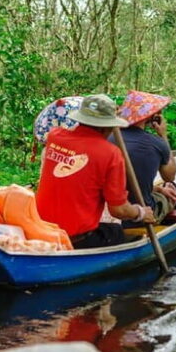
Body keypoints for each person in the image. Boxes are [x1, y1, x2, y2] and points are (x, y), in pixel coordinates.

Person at [36, 94, 155, 249]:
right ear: (108, 126)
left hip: (41, 229)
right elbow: (118, 210)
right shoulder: (111, 154)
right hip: (76, 239)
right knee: (116, 231)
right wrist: (140, 212)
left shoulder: (55, 136)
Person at [117, 90, 176, 226]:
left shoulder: (108, 137)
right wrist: (163, 136)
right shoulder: (156, 142)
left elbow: (123, 183)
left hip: (114, 212)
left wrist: (157, 189)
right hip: (140, 215)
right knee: (170, 194)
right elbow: (170, 176)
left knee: (158, 188)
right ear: (150, 117)